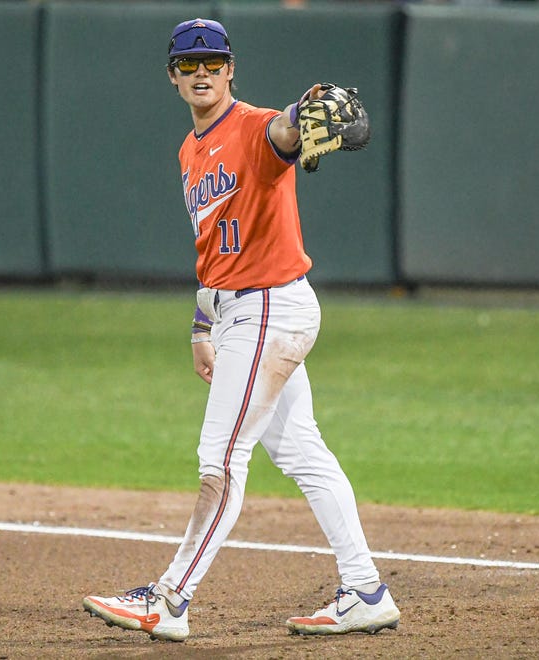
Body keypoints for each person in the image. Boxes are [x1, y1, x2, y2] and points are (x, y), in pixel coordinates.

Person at [83, 17, 400, 642]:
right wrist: (203, 323)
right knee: (301, 451)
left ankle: (170, 600)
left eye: (213, 62)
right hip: (241, 312)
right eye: (187, 64)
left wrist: (302, 116)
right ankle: (364, 589)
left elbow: (284, 132)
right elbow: (213, 247)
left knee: (221, 462)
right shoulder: (190, 150)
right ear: (173, 77)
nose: (201, 72)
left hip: (267, 311)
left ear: (231, 69)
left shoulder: (255, 128)